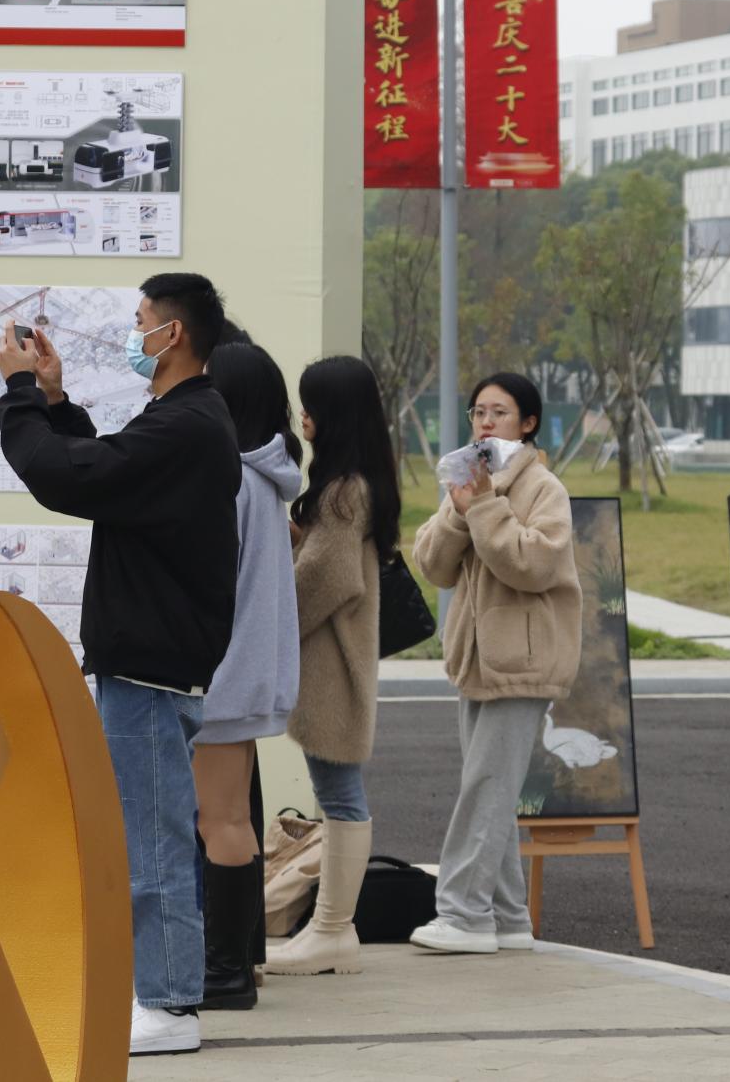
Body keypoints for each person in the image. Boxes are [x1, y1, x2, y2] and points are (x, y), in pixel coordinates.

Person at [0, 273, 240, 1058]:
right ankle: (159, 991)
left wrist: (19, 395)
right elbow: (104, 469)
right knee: (146, 831)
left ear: (173, 334)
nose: (132, 333)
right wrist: (54, 399)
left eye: (140, 321)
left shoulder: (188, 423)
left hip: (152, 668)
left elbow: (69, 476)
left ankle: (169, 1004)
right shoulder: (183, 419)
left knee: (153, 838)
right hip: (150, 660)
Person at [408, 372, 582, 954]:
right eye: (478, 411)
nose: (485, 422)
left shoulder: (544, 488)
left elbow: (533, 565)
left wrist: (482, 507)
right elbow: (433, 566)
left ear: (527, 423)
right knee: (492, 789)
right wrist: (461, 510)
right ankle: (507, 918)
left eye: (499, 412)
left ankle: (463, 915)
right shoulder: (469, 480)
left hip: (524, 661)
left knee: (486, 786)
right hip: (477, 660)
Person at [266, 356, 398, 976]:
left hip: (332, 669)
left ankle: (332, 929)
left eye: (311, 403)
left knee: (340, 795)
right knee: (337, 792)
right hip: (337, 666)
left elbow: (327, 577)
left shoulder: (345, 491)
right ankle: (331, 929)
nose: (303, 415)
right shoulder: (356, 483)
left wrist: (270, 619)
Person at [192, 342, 303, 1011]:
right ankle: (232, 965)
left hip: (222, 676)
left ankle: (225, 972)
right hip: (245, 671)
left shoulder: (231, 478)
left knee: (223, 821)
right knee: (227, 817)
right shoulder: (265, 478)